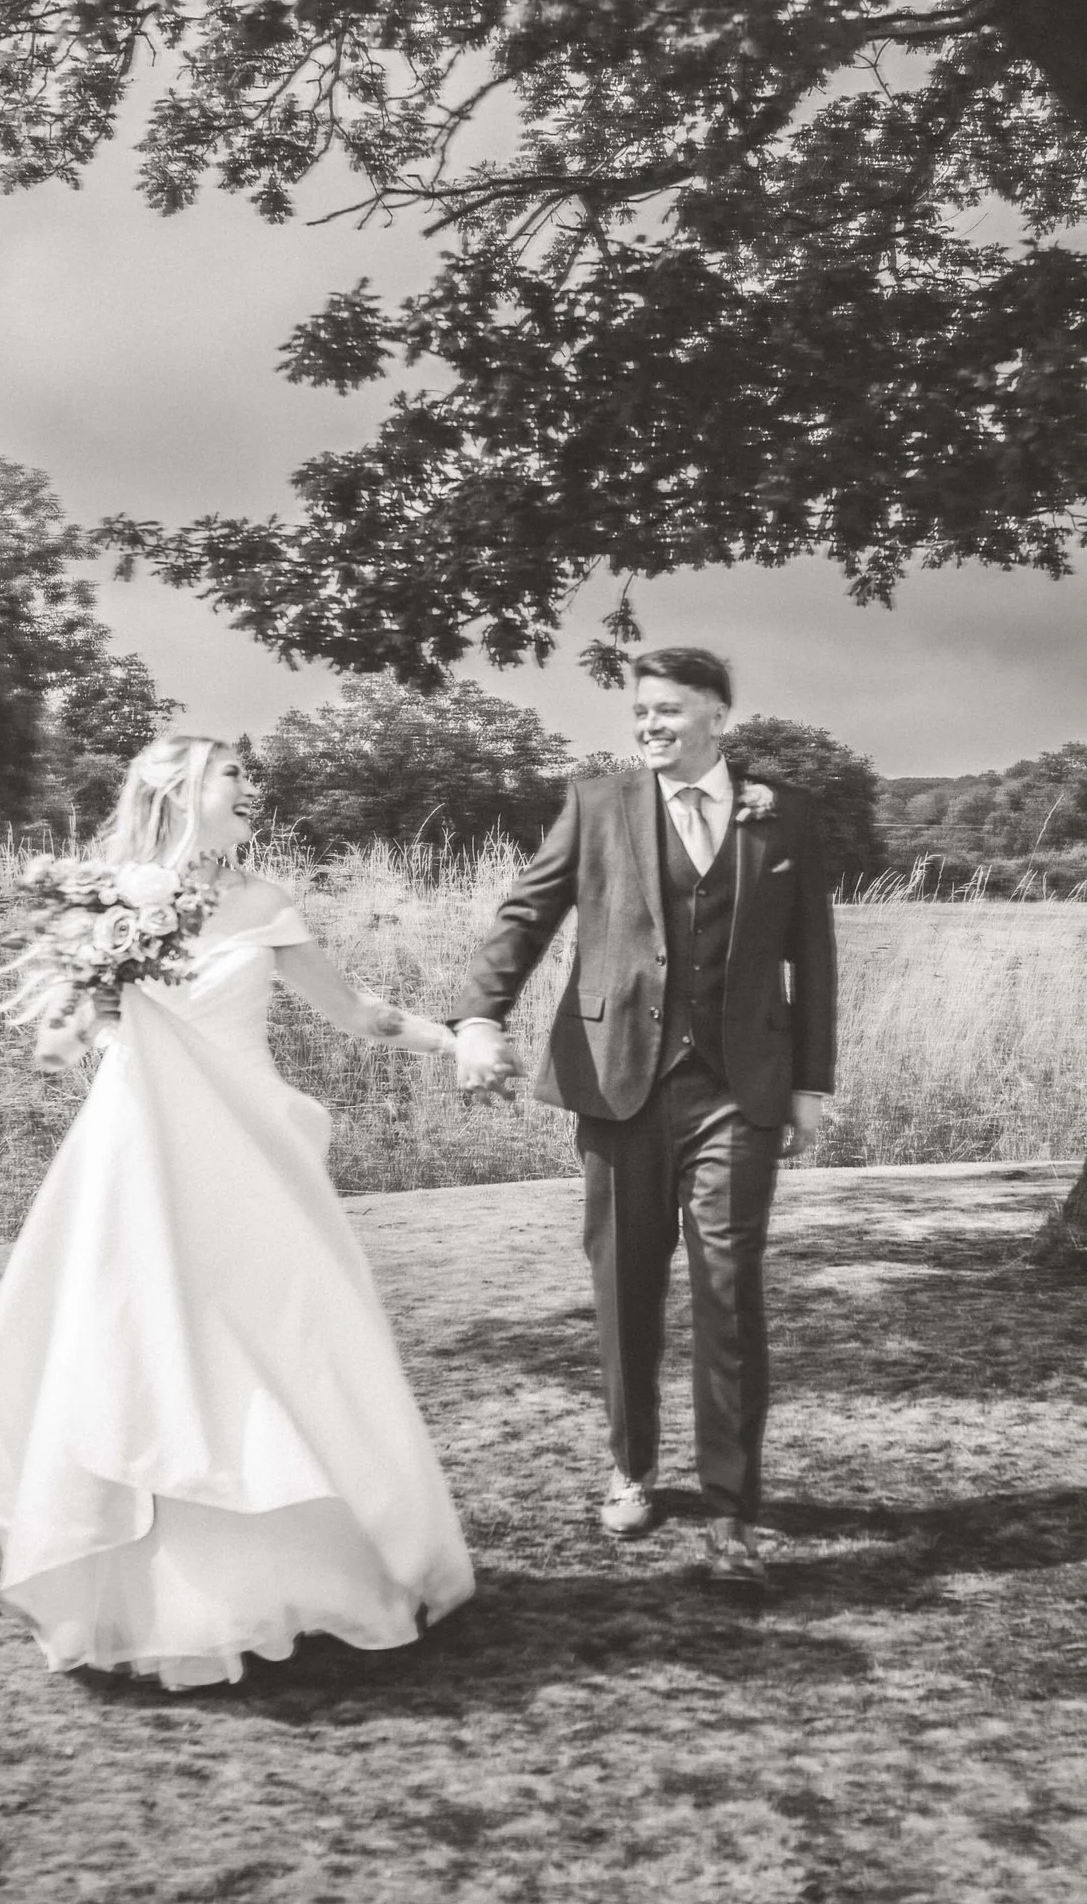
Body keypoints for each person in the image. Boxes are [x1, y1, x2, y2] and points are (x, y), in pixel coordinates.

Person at [0, 736, 475, 1687]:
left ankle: (312, 1554)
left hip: (248, 1151)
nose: (253, 790)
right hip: (138, 1150)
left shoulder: (265, 903)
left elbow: (356, 1014)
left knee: (280, 1328)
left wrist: (452, 1043)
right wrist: (95, 985)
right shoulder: (99, 897)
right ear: (179, 791)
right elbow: (58, 1047)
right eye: (234, 775)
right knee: (127, 1329)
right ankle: (92, 1535)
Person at [452, 647, 838, 1588]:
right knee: (625, 1286)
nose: (650, 726)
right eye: (641, 714)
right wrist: (478, 1016)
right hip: (619, 1080)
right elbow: (526, 914)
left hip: (740, 1089)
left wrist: (813, 1082)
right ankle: (632, 1468)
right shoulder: (596, 804)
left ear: (718, 716)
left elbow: (812, 951)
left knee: (728, 1290)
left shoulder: (784, 813)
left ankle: (733, 1511)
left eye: (669, 710)